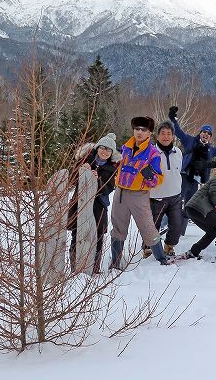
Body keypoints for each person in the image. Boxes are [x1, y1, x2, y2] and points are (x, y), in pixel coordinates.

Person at [168, 105, 216, 235]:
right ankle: (166, 226)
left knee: (188, 207)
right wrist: (173, 118)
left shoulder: (211, 150)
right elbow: (178, 132)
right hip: (184, 176)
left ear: (210, 137)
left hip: (196, 181)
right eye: (204, 132)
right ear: (200, 133)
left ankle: (181, 232)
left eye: (209, 134)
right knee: (175, 203)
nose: (206, 135)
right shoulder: (190, 141)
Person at [110, 116, 170, 268]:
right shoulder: (125, 148)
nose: (139, 132)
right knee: (118, 227)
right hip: (121, 193)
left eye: (144, 130)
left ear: (150, 133)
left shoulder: (153, 154)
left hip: (139, 195)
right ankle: (115, 262)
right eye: (137, 129)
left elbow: (159, 179)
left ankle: (161, 260)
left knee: (147, 227)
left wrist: (150, 176)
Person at [69, 132, 120, 272]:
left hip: (99, 205)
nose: (105, 152)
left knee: (97, 235)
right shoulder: (84, 160)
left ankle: (94, 267)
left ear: (112, 153)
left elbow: (108, 188)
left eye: (108, 150)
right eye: (102, 148)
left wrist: (97, 180)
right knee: (77, 232)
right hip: (79, 203)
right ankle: (75, 266)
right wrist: (82, 172)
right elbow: (71, 180)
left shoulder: (112, 168)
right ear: (97, 148)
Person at [146, 121, 183, 257]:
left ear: (173, 136)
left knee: (177, 226)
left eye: (169, 134)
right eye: (163, 133)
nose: (166, 136)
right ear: (157, 135)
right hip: (156, 196)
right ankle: (148, 247)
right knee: (153, 225)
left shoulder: (178, 152)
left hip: (175, 196)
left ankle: (169, 246)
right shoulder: (151, 152)